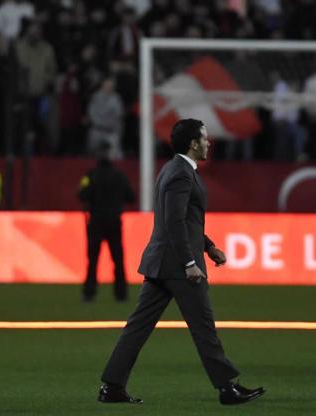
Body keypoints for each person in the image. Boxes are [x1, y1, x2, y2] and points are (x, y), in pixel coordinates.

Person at [98, 119, 265, 405]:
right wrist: (190, 261)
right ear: (193, 143)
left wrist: (209, 246)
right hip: (177, 265)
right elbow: (174, 222)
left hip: (162, 262)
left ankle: (112, 387)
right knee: (204, 327)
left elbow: (185, 220)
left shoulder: (173, 169)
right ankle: (227, 388)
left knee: (137, 328)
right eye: (205, 137)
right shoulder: (182, 174)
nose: (209, 142)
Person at [77, 141, 135, 302]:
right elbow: (130, 197)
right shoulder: (120, 176)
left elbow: (82, 195)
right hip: (114, 221)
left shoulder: (91, 175)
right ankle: (121, 293)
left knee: (93, 259)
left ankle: (89, 292)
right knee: (117, 259)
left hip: (95, 221)